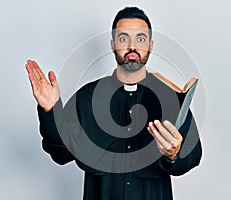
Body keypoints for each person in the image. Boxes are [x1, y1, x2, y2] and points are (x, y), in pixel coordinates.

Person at [25, 6, 202, 200]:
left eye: (140, 39)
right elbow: (59, 152)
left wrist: (173, 155)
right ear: (112, 45)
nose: (132, 46)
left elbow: (193, 156)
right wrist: (50, 110)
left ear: (151, 45)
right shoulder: (86, 97)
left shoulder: (170, 98)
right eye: (124, 38)